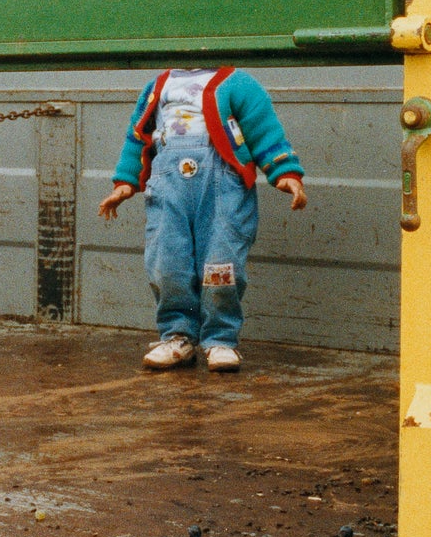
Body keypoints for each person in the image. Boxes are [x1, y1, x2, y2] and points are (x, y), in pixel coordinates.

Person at [98, 68, 307, 373]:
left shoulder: (237, 82)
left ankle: (220, 339)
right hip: (168, 187)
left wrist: (285, 173)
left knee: (222, 263)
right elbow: (137, 136)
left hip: (224, 188)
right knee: (167, 261)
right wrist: (125, 183)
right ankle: (177, 335)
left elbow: (265, 131)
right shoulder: (159, 84)